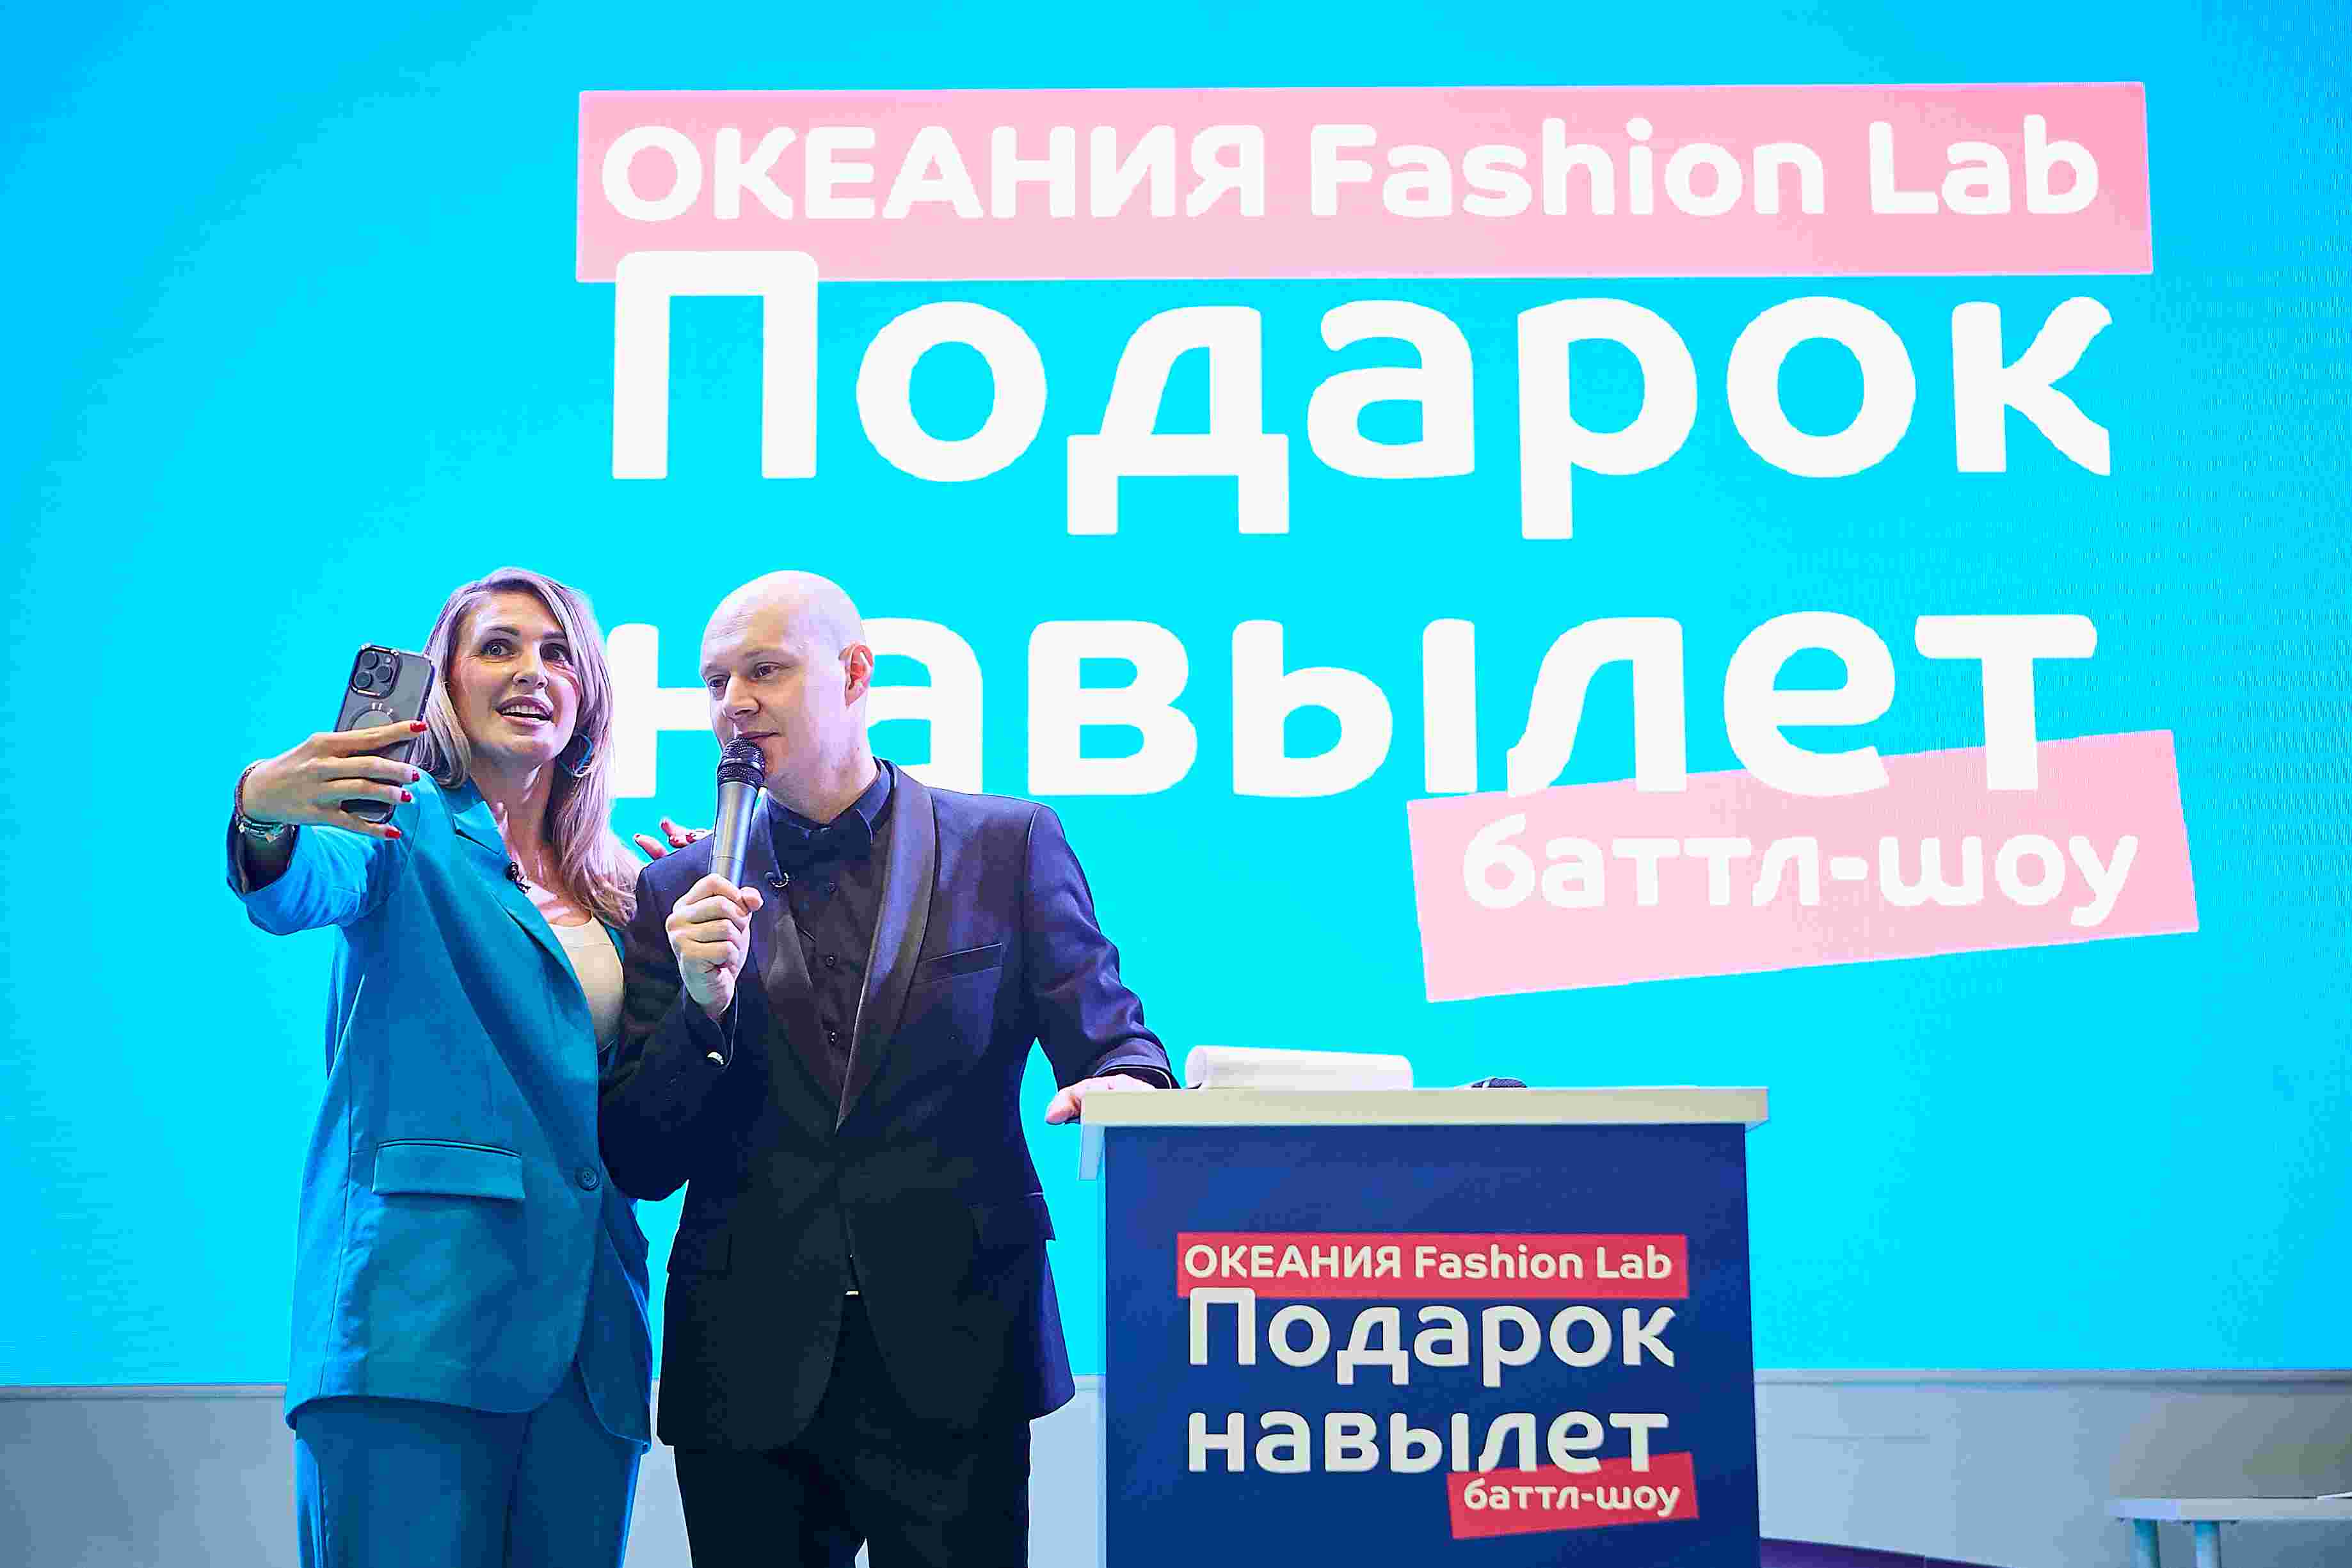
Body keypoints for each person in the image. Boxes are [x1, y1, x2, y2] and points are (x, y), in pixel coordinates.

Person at [600, 571, 1174, 1567]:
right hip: (746, 1366)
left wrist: (1127, 1084)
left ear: (857, 673)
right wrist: (702, 1008)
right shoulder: (679, 889)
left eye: (766, 670)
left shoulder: (1008, 843)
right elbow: (641, 1158)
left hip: (957, 1348)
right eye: (715, 681)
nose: (734, 702)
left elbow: (1114, 1037)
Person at [225, 566, 651, 1568]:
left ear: (588, 693)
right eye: (498, 647)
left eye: (557, 653)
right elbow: (301, 882)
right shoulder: (398, 818)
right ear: (444, 684)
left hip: (588, 1354)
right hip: (413, 1332)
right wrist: (264, 811)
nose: (531, 670)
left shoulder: (621, 884)